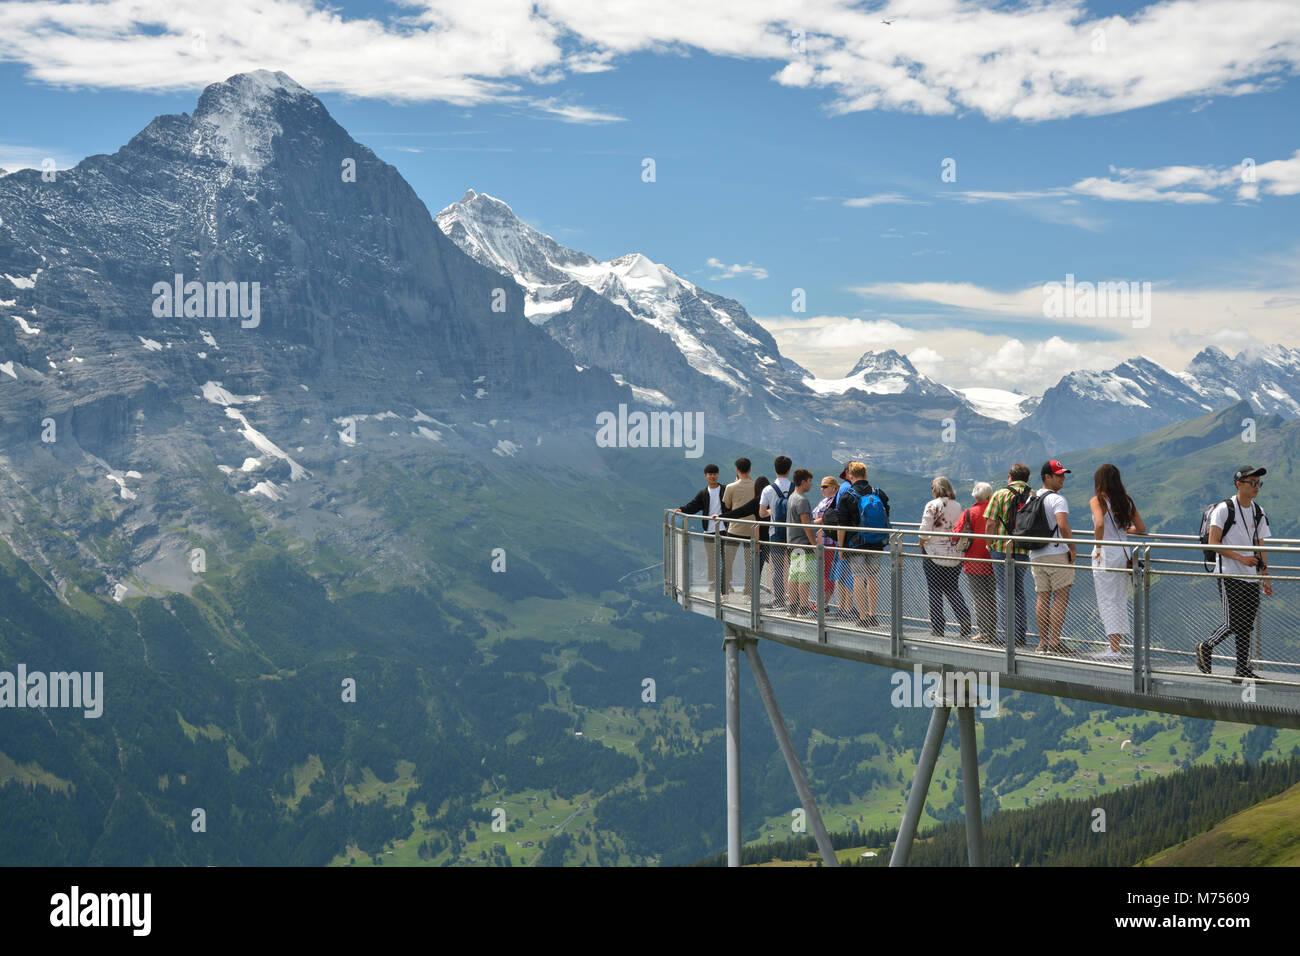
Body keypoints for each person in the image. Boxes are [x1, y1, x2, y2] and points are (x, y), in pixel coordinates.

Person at [1196, 466, 1272, 680]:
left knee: (1246, 624)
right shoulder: (1224, 509)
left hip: (1250, 576)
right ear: (1239, 484)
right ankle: (1206, 645)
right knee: (1233, 622)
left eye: (1259, 483)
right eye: (1252, 483)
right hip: (1228, 573)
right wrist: (1241, 558)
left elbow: (1260, 545)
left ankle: (1241, 669)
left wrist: (1265, 576)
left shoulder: (1258, 511)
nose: (1257, 487)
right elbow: (1214, 543)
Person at [1088, 464, 1146, 660]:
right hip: (1123, 554)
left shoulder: (1098, 500)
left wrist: (1097, 547)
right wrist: (1122, 531)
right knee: (1120, 599)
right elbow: (1140, 528)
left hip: (1105, 555)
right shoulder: (1126, 501)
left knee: (1106, 600)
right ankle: (1117, 645)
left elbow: (1099, 523)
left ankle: (1113, 649)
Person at [1027, 460, 1076, 654]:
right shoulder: (1057, 499)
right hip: (1056, 553)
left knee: (1042, 596)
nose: (1063, 478)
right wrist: (1072, 548)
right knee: (1061, 597)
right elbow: (1062, 525)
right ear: (1047, 477)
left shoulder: (1032, 498)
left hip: (1036, 553)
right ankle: (1055, 642)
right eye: (1059, 475)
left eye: (1063, 474)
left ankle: (1043, 642)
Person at [984, 463, 1033, 646]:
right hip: (1024, 549)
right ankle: (1020, 634)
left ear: (1010, 477)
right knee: (1018, 591)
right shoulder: (1033, 494)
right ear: (1026, 478)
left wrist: (989, 544)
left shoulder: (1000, 494)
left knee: (1005, 592)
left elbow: (990, 523)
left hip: (1001, 548)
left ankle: (1008, 637)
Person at [919, 477, 972, 638]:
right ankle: (965, 619)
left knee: (934, 591)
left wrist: (922, 543)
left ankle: (938, 627)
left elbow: (923, 531)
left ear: (935, 489)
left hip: (934, 554)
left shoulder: (932, 505)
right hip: (954, 554)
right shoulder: (958, 506)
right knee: (952, 588)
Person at [836, 462, 888, 626]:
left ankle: (862, 617)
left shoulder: (847, 496)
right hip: (877, 541)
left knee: (858, 577)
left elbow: (841, 525)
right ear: (865, 475)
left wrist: (841, 547)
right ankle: (873, 615)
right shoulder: (878, 493)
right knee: (873, 577)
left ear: (850, 475)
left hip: (856, 543)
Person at [955, 482, 997, 643]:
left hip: (973, 561)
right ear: (989, 496)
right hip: (993, 559)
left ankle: (984, 633)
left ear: (974, 496)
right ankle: (992, 632)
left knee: (979, 598)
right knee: (991, 597)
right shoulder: (995, 512)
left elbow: (956, 535)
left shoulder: (968, 513)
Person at [675, 464, 727, 589]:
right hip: (709, 530)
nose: (712, 476)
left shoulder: (725, 490)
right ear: (705, 476)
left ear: (718, 475)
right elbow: (693, 505)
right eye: (710, 474)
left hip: (724, 529)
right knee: (711, 559)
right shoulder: (703, 493)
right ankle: (714, 584)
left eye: (714, 474)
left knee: (726, 559)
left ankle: (725, 585)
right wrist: (682, 509)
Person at [715, 460, 757, 599]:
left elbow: (727, 505)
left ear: (737, 470)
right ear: (750, 470)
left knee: (727, 562)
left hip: (734, 528)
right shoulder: (756, 487)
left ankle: (725, 593)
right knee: (750, 563)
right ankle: (748, 593)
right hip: (752, 529)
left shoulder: (730, 487)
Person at [758, 456, 794, 610]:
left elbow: (761, 513)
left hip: (775, 532)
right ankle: (796, 600)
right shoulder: (795, 487)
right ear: (789, 470)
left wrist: (772, 511)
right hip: (794, 533)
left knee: (778, 568)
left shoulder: (768, 489)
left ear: (775, 469)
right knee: (795, 567)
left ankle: (778, 599)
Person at [785, 469, 818, 616]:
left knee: (795, 575)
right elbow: (806, 524)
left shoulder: (792, 497)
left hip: (793, 542)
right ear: (803, 482)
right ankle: (804, 609)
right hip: (803, 544)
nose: (811, 484)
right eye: (809, 481)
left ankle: (792, 607)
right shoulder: (802, 500)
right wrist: (814, 544)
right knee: (804, 577)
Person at [811, 475, 840, 610]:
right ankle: (821, 602)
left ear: (834, 487)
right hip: (821, 541)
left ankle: (823, 603)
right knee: (824, 573)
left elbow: (825, 520)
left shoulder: (833, 502)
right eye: (821, 486)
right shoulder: (825, 500)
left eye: (825, 486)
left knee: (828, 573)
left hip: (828, 542)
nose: (821, 489)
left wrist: (808, 524)